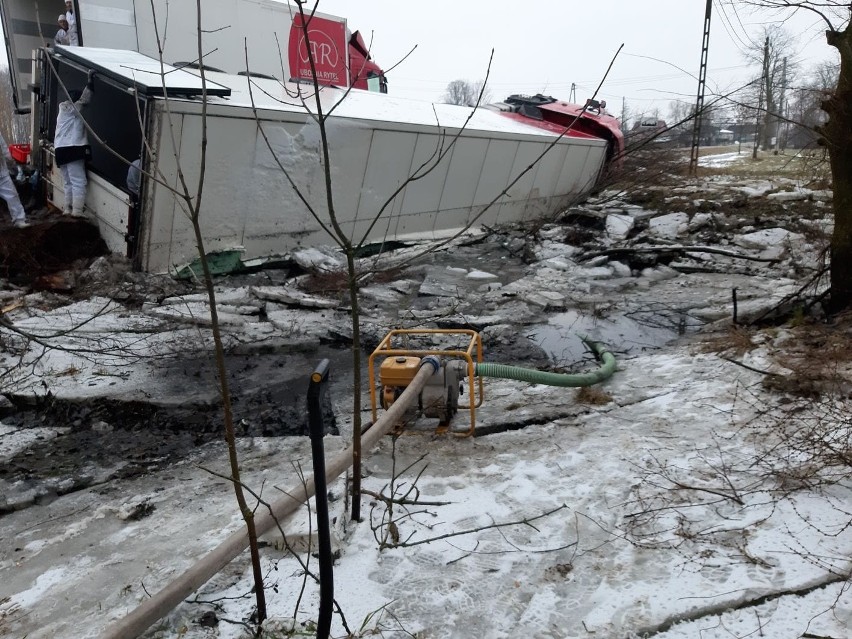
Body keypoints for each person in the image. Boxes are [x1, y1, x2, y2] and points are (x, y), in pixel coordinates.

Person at [54, 70, 94, 218]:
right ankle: (77, 212)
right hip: (73, 148)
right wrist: (90, 82)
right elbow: (84, 99)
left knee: (68, 181)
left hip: (60, 150)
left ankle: (67, 210)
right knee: (78, 181)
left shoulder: (63, 111)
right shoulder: (71, 108)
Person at [0, 131, 28, 228]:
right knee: (12, 195)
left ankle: (19, 219)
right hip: (2, 171)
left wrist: (10, 162)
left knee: (12, 195)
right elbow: (5, 150)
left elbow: (4, 149)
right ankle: (20, 219)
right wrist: (11, 164)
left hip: (2, 172)